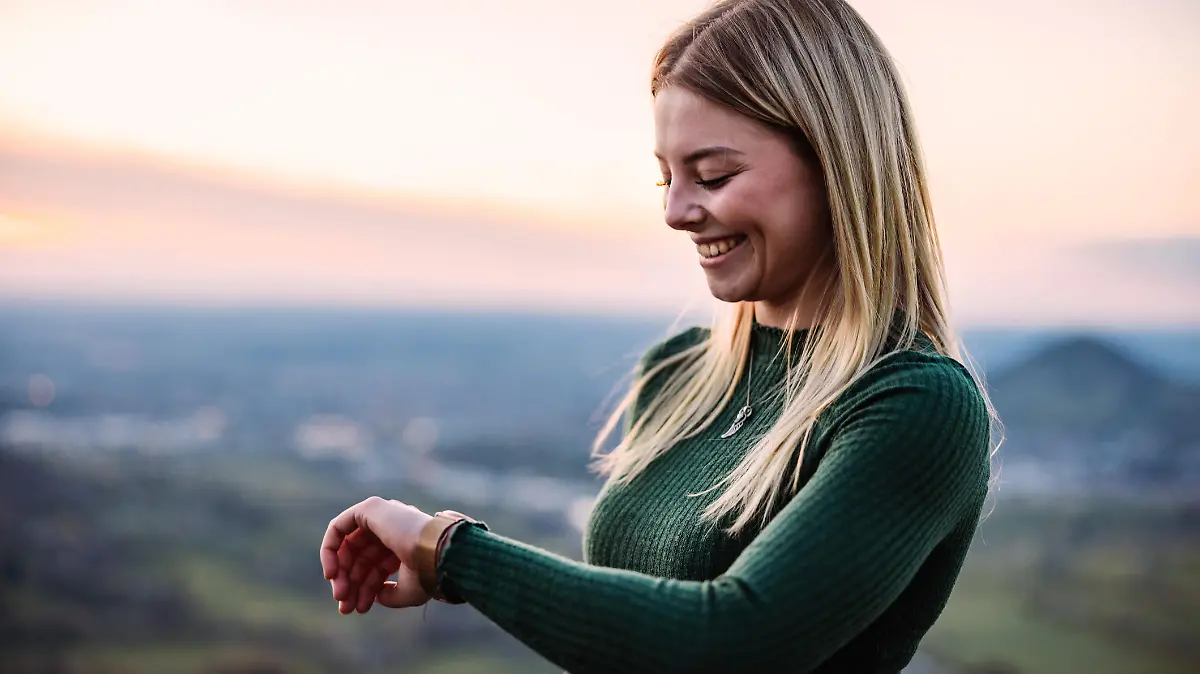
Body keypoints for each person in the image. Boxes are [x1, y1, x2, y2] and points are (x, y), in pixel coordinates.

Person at [319, 0, 997, 671]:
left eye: (712, 176)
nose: (675, 211)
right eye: (665, 177)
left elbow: (725, 645)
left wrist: (450, 552)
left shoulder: (914, 406)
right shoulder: (678, 375)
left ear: (836, 164)